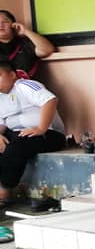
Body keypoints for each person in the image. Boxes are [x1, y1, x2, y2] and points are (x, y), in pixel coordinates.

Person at [0, 61, 66, 208]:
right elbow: (2, 124)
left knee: (16, 146)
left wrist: (40, 128)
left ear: (12, 75)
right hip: (18, 134)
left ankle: (4, 192)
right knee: (8, 143)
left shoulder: (25, 86)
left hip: (49, 134)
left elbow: (50, 100)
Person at [0, 10, 55, 80]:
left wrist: (26, 31)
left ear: (13, 25)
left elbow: (47, 50)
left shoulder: (25, 43)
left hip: (27, 86)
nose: (1, 25)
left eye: (5, 22)